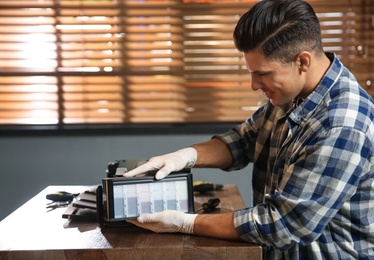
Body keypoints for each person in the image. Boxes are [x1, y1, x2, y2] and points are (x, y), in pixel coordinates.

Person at [124, 0, 374, 258]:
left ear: (302, 61)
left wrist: (185, 223)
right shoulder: (294, 93)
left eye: (262, 73)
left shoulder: (341, 124)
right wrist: (184, 157)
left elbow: (281, 225)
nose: (254, 85)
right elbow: (243, 141)